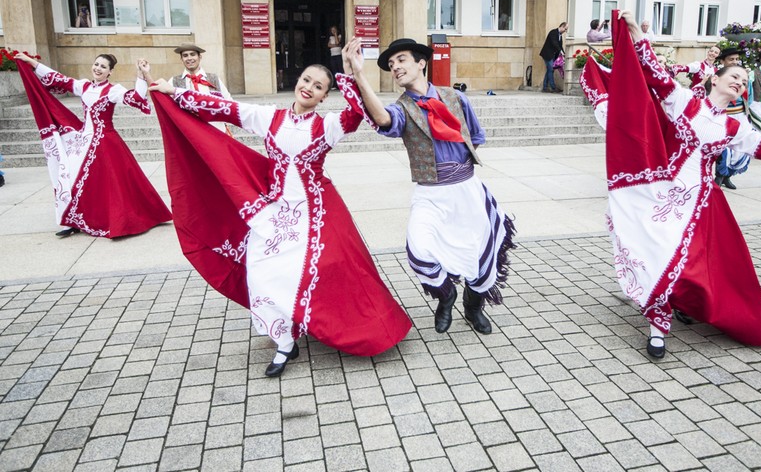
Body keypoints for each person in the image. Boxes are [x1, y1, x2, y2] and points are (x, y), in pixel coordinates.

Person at [581, 11, 761, 359]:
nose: (739, 82)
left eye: (744, 81)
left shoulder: (735, 128)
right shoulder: (685, 103)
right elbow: (654, 74)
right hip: (661, 191)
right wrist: (637, 32)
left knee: (692, 265)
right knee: (656, 253)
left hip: (700, 203)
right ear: (715, 79)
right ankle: (657, 324)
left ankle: (670, 315)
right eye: (735, 76)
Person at [147, 62, 411, 377]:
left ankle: (360, 324)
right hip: (275, 211)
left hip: (317, 210)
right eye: (306, 80)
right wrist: (171, 91)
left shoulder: (327, 125)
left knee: (336, 269)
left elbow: (357, 114)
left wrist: (355, 72)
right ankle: (284, 341)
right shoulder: (270, 117)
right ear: (297, 81)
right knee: (261, 272)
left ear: (324, 96)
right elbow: (222, 108)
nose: (309, 88)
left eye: (318, 86)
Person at [344, 36, 516, 335]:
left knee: (479, 252)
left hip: (466, 189)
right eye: (391, 64)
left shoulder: (454, 97)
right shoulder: (401, 108)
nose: (395, 67)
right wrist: (359, 74)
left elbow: (475, 136)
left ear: (421, 63)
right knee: (420, 250)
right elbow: (383, 119)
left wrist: (459, 169)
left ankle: (474, 306)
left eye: (401, 60)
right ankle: (446, 295)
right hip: (430, 193)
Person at [13, 52, 171, 238]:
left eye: (103, 67)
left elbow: (135, 98)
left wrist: (141, 75)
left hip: (105, 142)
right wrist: (32, 63)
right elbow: (59, 78)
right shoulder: (84, 86)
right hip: (84, 141)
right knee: (69, 177)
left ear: (110, 72)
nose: (98, 69)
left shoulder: (113, 90)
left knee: (110, 185)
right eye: (96, 64)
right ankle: (72, 220)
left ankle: (115, 219)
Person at [170, 43, 232, 134]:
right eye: (185, 55)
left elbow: (229, 102)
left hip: (216, 131)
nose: (189, 58)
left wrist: (226, 125)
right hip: (190, 133)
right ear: (181, 59)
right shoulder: (174, 81)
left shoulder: (213, 79)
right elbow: (165, 104)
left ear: (199, 57)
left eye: (193, 54)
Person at [714, 46, 751, 189]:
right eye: (731, 59)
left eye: (737, 59)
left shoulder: (744, 77)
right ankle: (719, 176)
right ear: (723, 61)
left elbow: (749, 98)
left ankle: (728, 176)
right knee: (724, 148)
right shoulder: (717, 77)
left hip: (740, 115)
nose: (735, 62)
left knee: (739, 149)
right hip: (725, 115)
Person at [539, 22, 567, 93]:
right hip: (547, 54)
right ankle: (553, 87)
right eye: (565, 29)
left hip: (553, 55)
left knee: (549, 70)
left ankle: (545, 87)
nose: (565, 31)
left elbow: (560, 46)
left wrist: (563, 53)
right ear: (562, 26)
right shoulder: (553, 32)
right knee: (551, 69)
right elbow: (555, 43)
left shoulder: (560, 35)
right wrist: (561, 51)